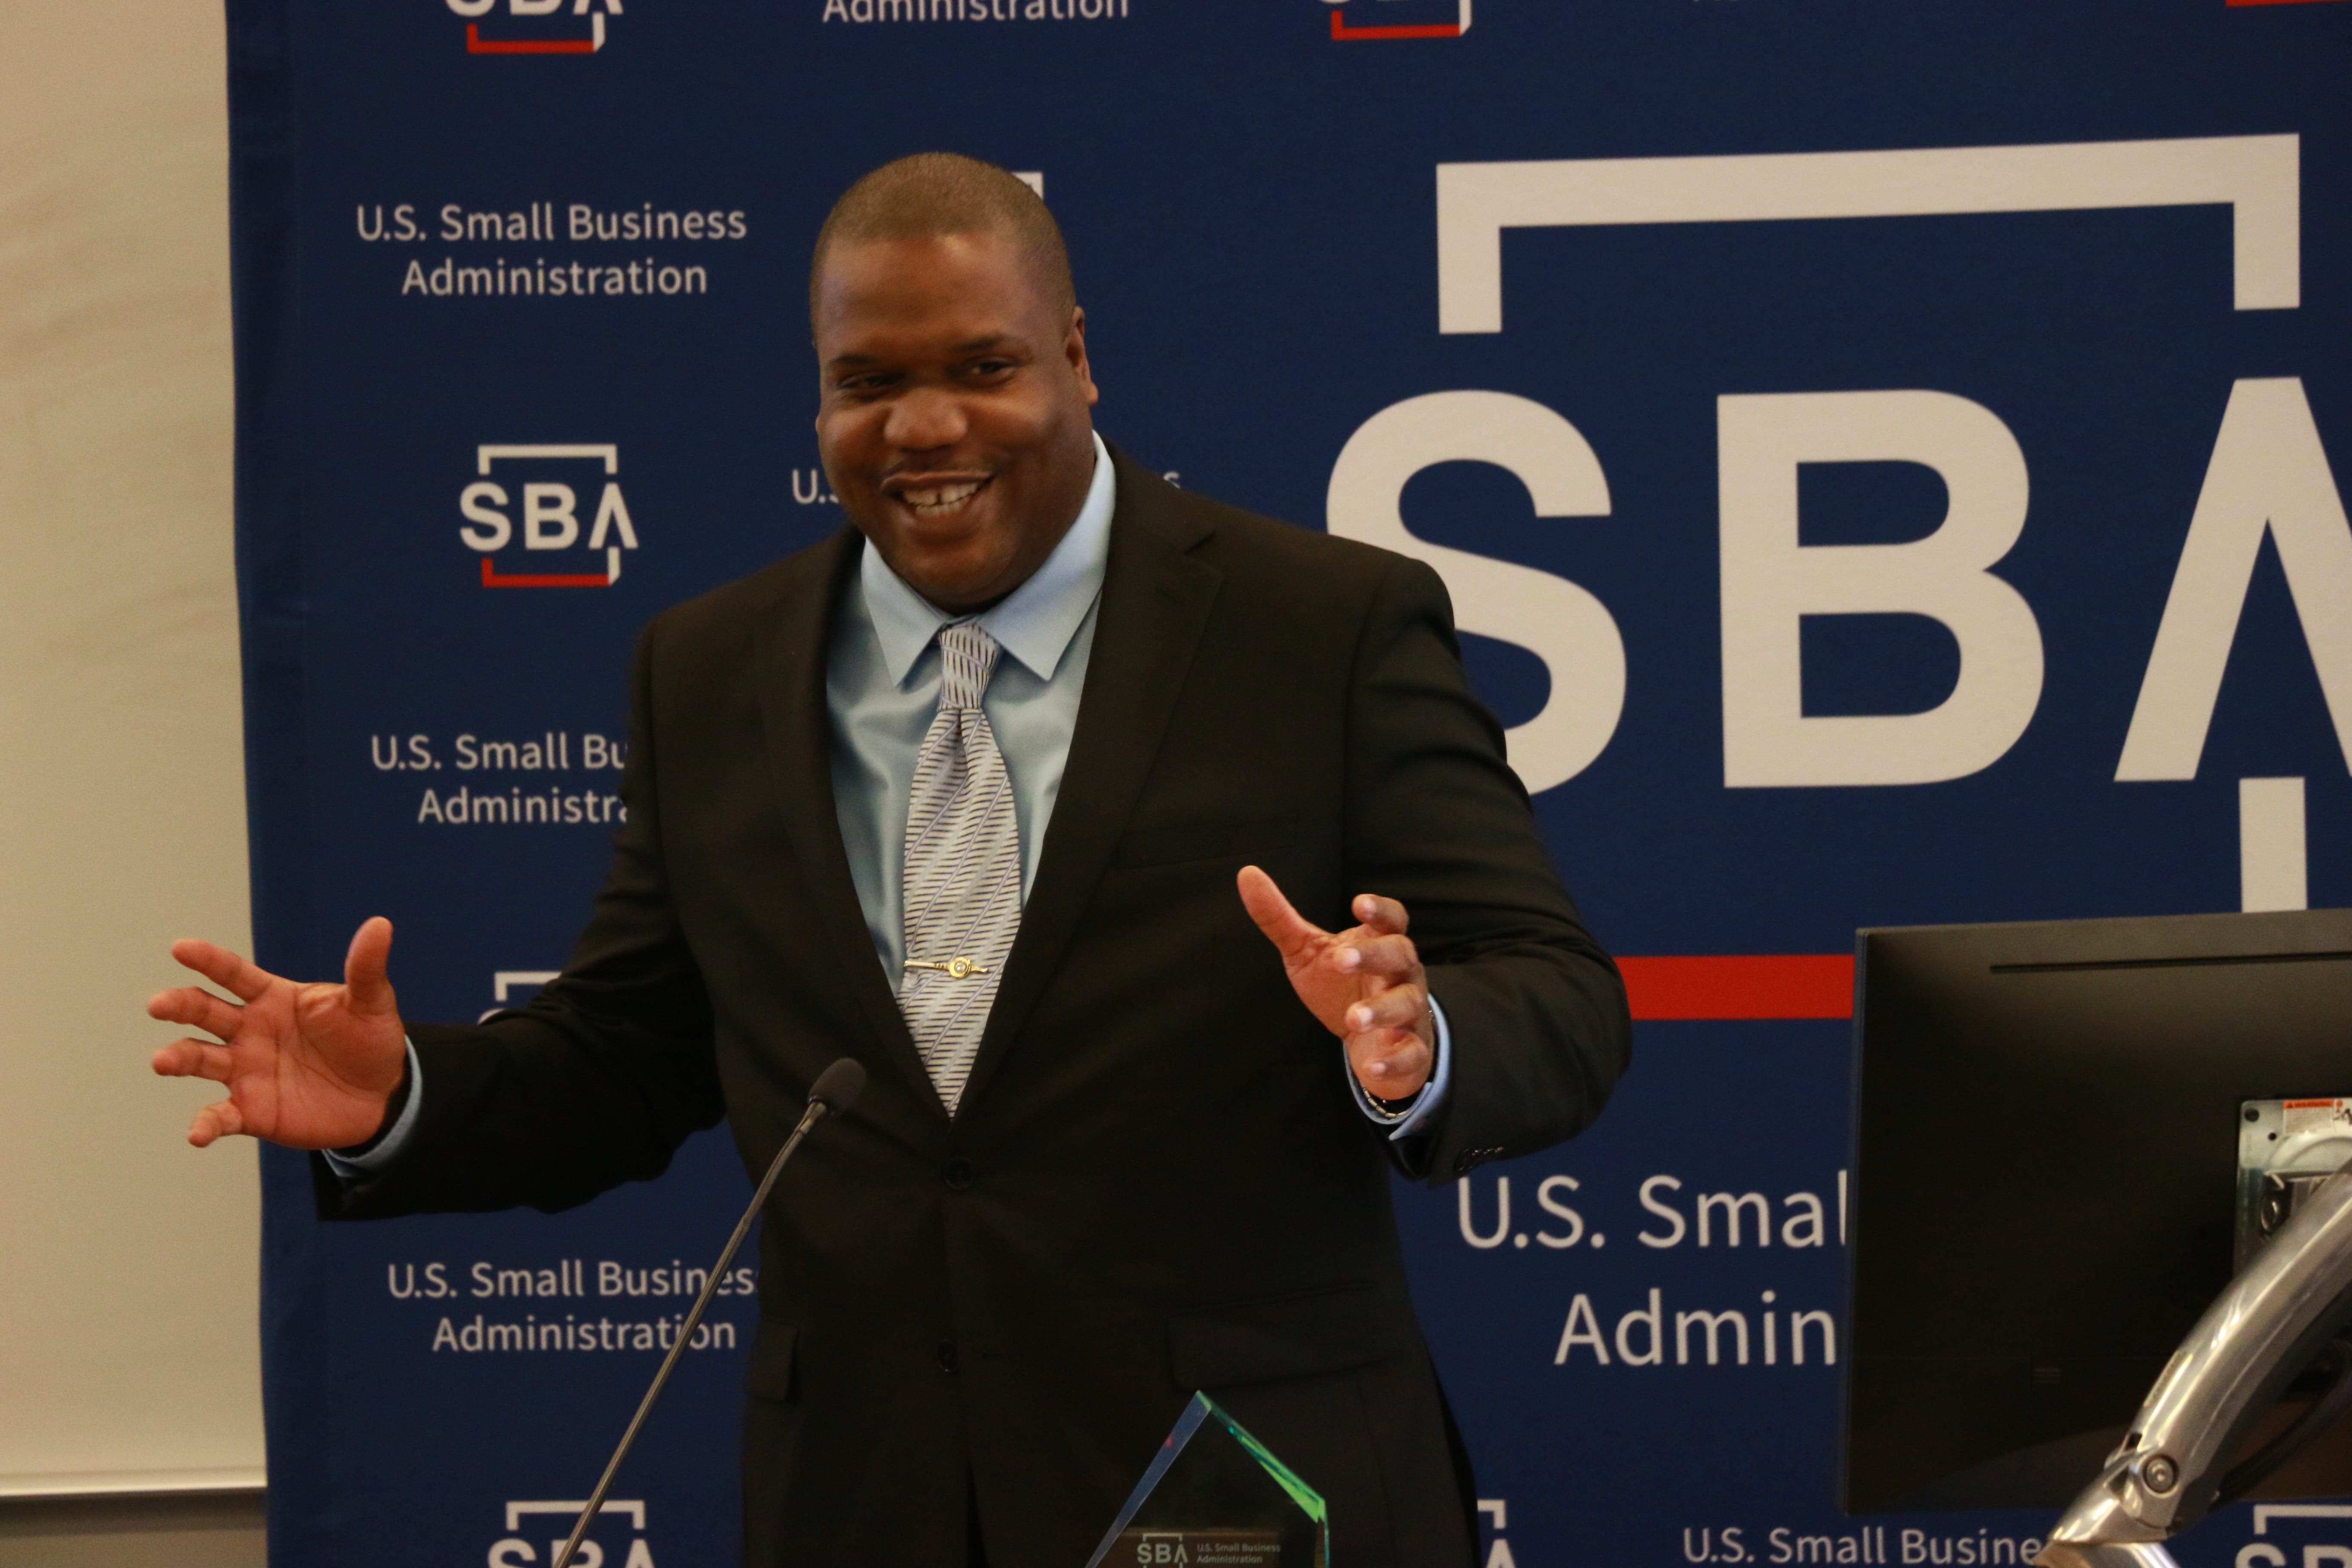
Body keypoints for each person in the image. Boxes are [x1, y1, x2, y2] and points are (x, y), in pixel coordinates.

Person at [149, 153, 1631, 1568]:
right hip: (867, 1504)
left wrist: (1418, 1038)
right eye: (868, 384)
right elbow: (627, 1058)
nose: (924, 428)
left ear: (1077, 358)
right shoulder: (709, 670)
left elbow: (1560, 995)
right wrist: (402, 1097)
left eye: (983, 367)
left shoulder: (1322, 628)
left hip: (1239, 1481)